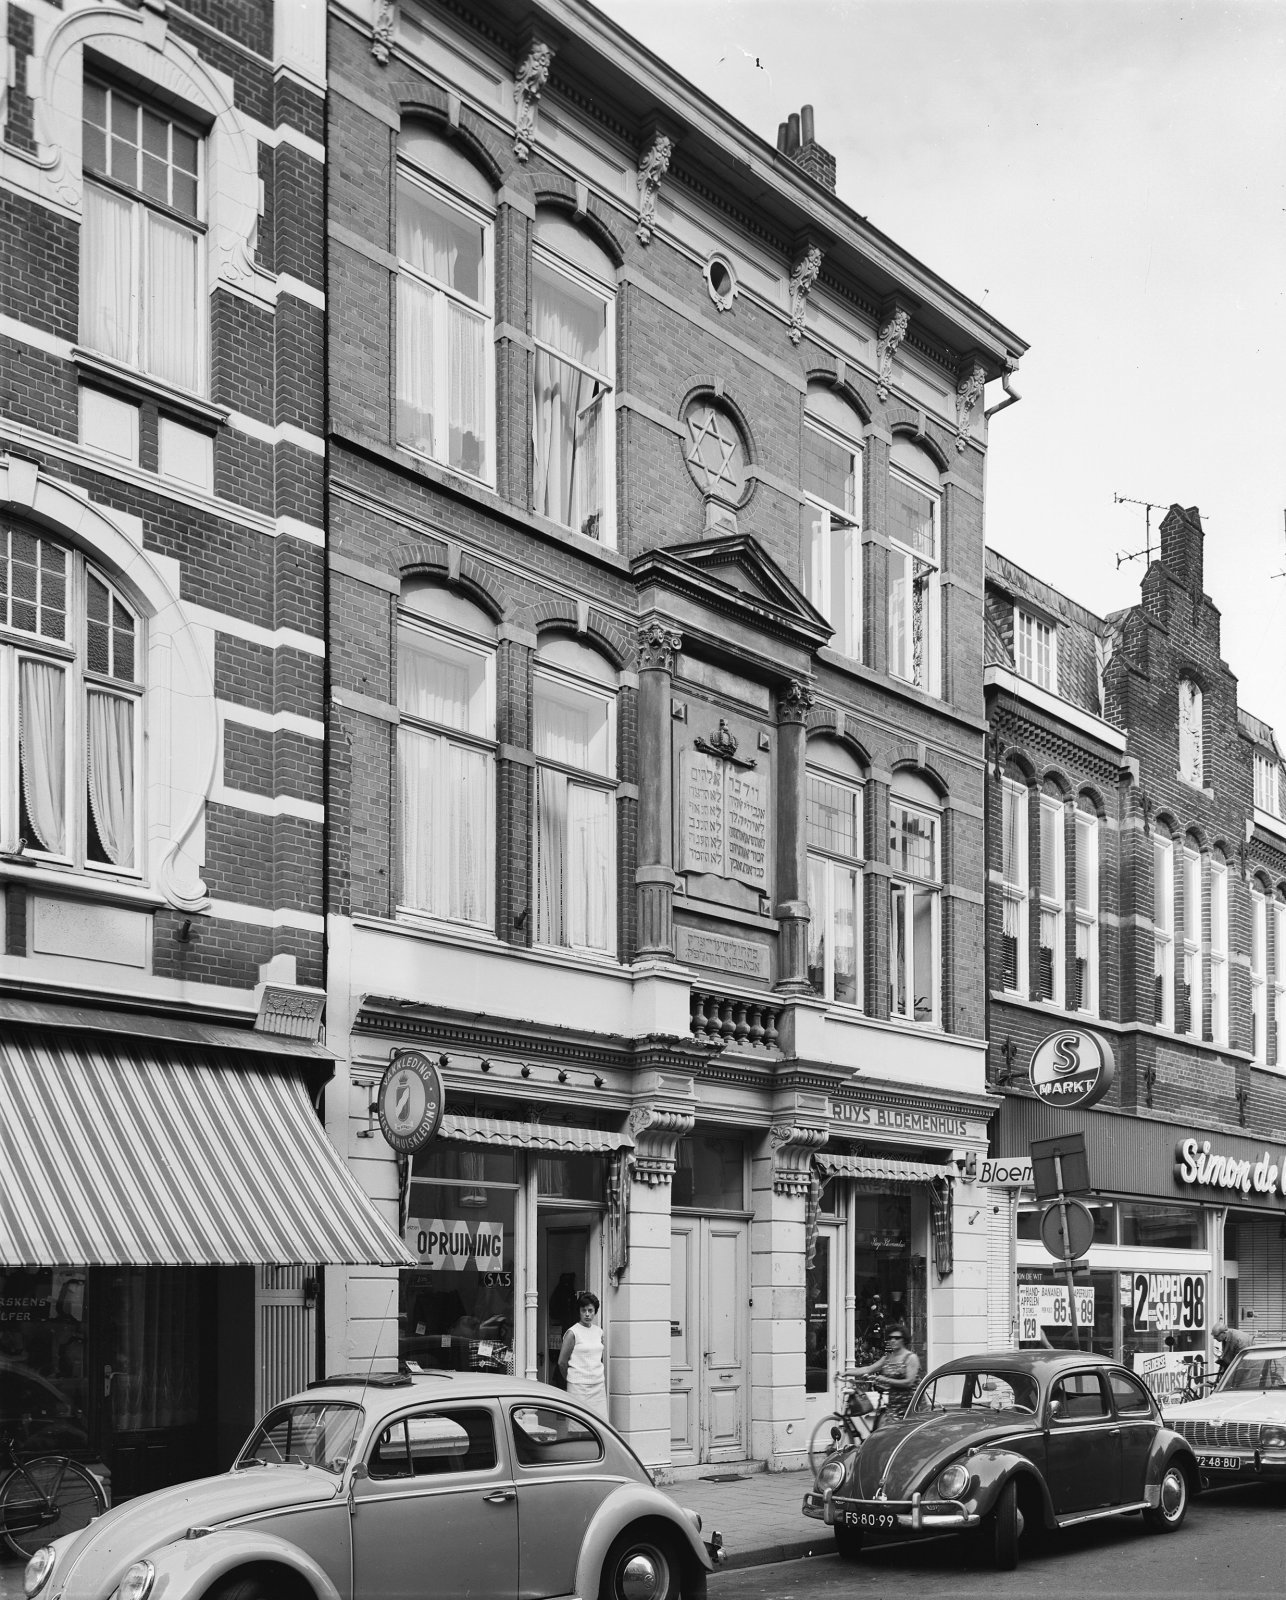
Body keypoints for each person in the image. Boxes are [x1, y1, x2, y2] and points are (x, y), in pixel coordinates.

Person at [853, 1326, 920, 1417]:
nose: (893, 1340)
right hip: (893, 1407)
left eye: (897, 1338)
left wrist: (886, 1380)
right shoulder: (887, 1358)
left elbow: (908, 1382)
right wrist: (845, 1373)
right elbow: (868, 1369)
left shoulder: (911, 1358)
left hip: (911, 1408)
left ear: (904, 1340)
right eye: (890, 1338)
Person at [559, 1291, 607, 1418]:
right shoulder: (572, 1333)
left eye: (590, 1310)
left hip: (598, 1387)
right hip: (578, 1388)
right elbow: (562, 1362)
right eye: (583, 1310)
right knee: (578, 1423)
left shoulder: (599, 1332)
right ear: (579, 1311)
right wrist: (573, 1379)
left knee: (599, 1422)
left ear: (595, 1311)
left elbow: (598, 1358)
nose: (587, 1314)